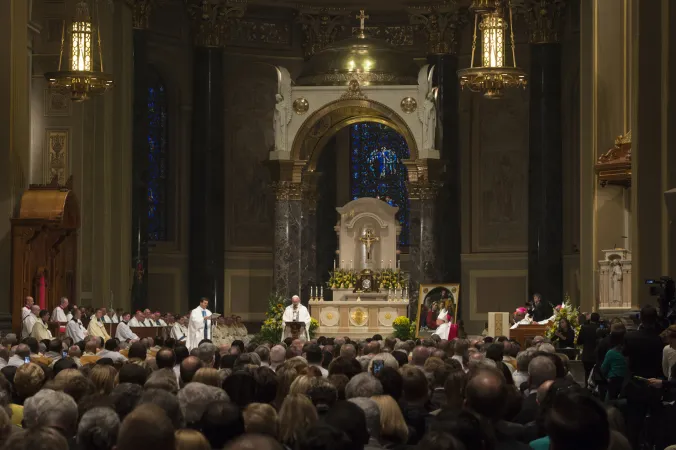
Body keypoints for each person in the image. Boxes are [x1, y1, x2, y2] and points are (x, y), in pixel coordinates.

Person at [577, 312, 601, 384]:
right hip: (597, 356)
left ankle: (587, 389)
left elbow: (579, 342)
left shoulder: (584, 328)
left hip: (586, 355)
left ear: (590, 319)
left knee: (587, 374)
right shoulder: (600, 329)